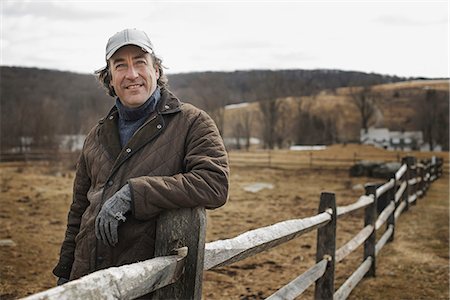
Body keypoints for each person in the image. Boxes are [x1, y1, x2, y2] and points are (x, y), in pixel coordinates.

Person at [53, 28, 229, 287]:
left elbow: (214, 184)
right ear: (110, 79)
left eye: (140, 62)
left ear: (156, 71)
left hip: (146, 284)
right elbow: (79, 211)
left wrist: (134, 194)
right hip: (87, 279)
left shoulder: (193, 122)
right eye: (120, 65)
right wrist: (65, 274)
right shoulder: (96, 135)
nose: (132, 74)